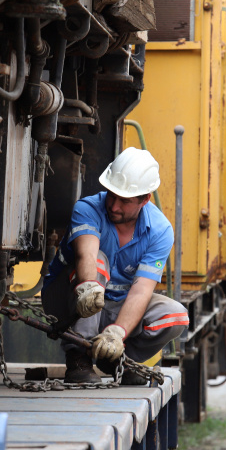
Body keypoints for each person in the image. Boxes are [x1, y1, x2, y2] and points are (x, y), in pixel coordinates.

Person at [42, 147, 189, 384]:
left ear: (145, 199)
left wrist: (117, 333)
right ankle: (78, 358)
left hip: (116, 307)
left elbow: (141, 291)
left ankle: (114, 358)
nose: (113, 205)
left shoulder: (160, 231)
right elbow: (87, 255)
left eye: (124, 200)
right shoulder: (87, 209)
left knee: (176, 316)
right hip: (68, 298)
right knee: (98, 261)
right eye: (112, 195)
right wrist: (89, 287)